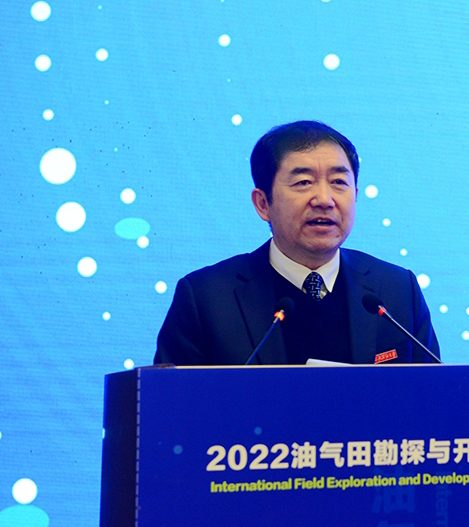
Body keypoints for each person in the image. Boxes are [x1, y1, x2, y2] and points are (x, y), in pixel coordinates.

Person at [154, 120, 440, 366]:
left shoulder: (397, 291)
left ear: (355, 194)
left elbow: (434, 398)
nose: (325, 200)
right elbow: (171, 406)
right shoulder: (207, 298)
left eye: (338, 182)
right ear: (263, 203)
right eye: (303, 182)